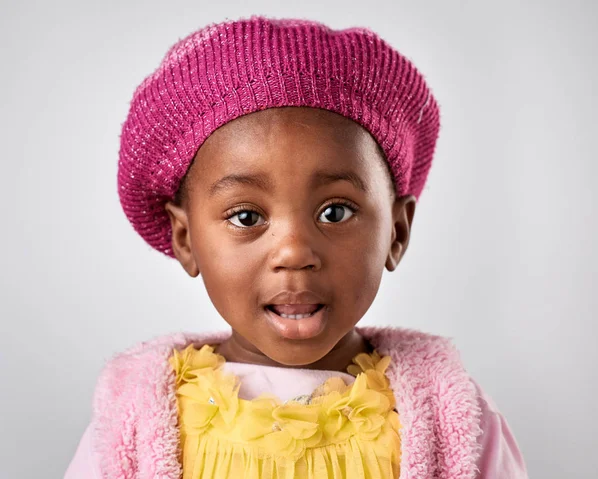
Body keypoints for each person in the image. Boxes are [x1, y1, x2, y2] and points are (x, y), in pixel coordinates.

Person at [65, 15, 528, 478]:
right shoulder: (133, 423)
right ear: (185, 239)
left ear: (396, 232)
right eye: (246, 217)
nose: (294, 253)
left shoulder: (454, 426)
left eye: (336, 212)